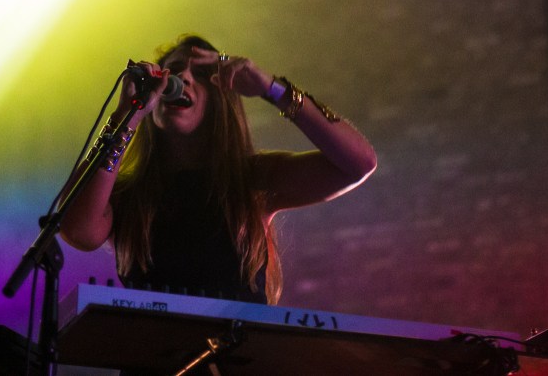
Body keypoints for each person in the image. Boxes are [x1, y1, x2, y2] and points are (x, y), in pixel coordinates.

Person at [58, 34, 376, 305]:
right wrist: (125, 115)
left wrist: (272, 89)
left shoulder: (252, 179)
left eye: (201, 73)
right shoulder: (128, 194)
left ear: (221, 99)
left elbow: (358, 163)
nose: (183, 78)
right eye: (173, 70)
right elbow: (77, 230)